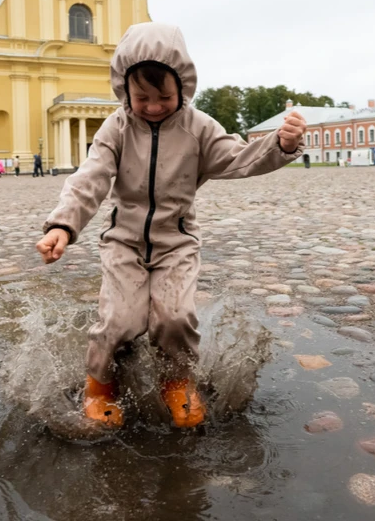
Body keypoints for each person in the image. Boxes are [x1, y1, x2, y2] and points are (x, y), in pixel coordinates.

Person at [36, 23, 305, 429]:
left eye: (165, 96)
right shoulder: (117, 127)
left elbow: (238, 157)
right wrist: (63, 225)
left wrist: (280, 146)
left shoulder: (199, 127)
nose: (154, 106)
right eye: (142, 97)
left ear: (184, 86)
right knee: (119, 321)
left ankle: (177, 381)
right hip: (123, 241)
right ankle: (100, 385)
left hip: (176, 242)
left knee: (175, 318)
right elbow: (90, 177)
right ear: (124, 90)